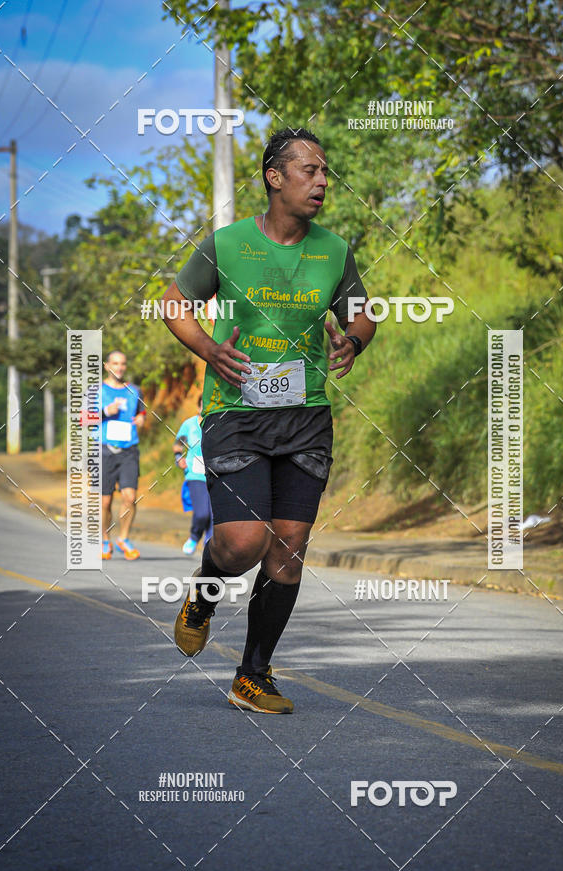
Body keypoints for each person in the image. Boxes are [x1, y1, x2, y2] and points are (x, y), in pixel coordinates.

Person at [162, 127, 375, 714]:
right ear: (274, 177)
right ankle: (204, 594)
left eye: (325, 171)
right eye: (310, 170)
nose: (323, 182)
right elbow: (173, 304)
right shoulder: (226, 245)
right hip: (235, 413)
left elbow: (363, 314)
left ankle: (253, 674)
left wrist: (352, 342)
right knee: (242, 543)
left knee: (289, 546)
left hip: (305, 416)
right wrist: (209, 350)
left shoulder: (334, 249)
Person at [100, 350, 145, 560]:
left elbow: (141, 412)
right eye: (115, 363)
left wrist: (141, 420)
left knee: (130, 497)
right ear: (106, 366)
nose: (119, 367)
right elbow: (81, 418)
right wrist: (104, 412)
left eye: (123, 364)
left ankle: (123, 538)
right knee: (105, 502)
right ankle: (104, 539)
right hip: (104, 450)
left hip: (129, 449)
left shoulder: (134, 390)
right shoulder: (96, 391)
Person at [173, 395, 213, 555]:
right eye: (204, 405)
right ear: (198, 407)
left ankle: (209, 549)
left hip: (216, 474)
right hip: (195, 475)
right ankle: (194, 536)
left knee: (215, 516)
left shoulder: (218, 423)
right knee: (202, 513)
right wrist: (178, 458)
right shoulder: (189, 425)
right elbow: (178, 444)